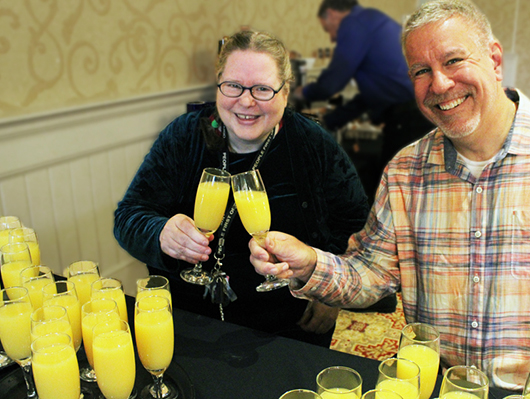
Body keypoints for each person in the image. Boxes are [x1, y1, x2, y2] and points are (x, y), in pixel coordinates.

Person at [249, 1, 530, 397]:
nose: (439, 84)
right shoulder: (406, 170)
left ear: (494, 59)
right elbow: (370, 275)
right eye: (421, 71)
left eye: (453, 60)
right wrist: (310, 262)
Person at [113, 30, 371, 347]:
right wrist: (160, 232)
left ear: (285, 92)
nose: (246, 101)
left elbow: (358, 224)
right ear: (219, 85)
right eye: (234, 86)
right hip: (189, 321)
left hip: (286, 327)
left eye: (262, 89)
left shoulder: (311, 144)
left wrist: (329, 294)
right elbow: (128, 216)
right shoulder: (185, 135)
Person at [293, 0, 434, 198]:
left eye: (328, 30)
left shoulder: (354, 23)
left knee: (388, 188)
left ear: (331, 14)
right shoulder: (373, 20)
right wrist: (329, 122)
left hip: (408, 117)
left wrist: (303, 93)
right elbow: (367, 98)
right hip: (416, 114)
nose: (333, 38)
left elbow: (333, 81)